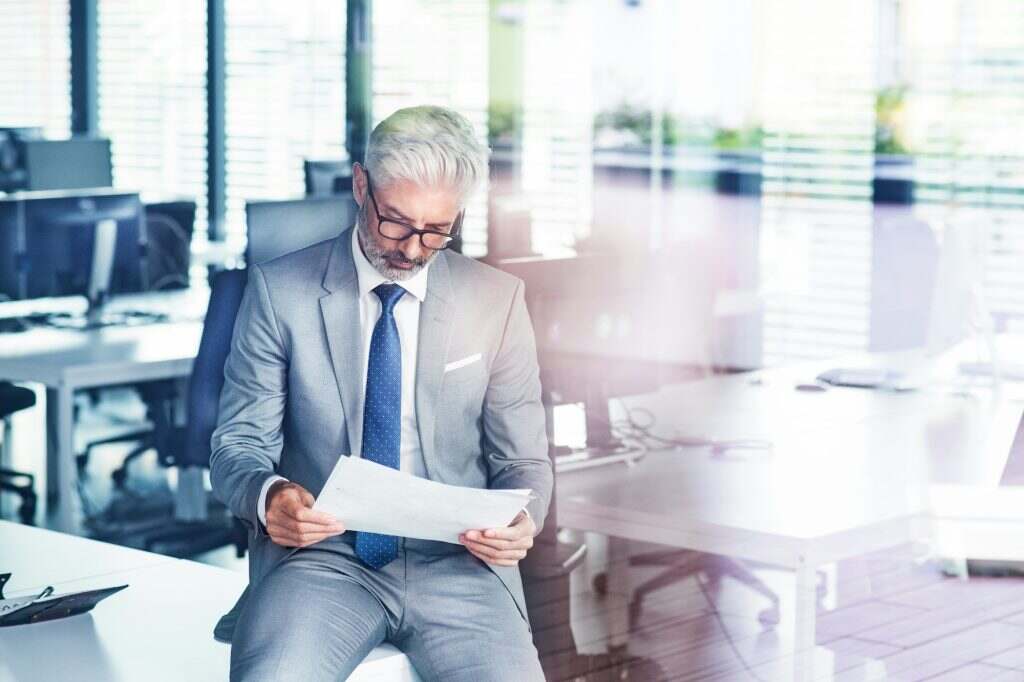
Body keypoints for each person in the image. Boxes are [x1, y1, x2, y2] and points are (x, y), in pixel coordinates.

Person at [209, 105, 552, 681]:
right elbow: (238, 446)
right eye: (394, 222)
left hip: (459, 562)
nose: (413, 249)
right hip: (326, 559)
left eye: (438, 230)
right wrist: (270, 497)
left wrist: (523, 521)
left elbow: (524, 460)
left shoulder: (497, 301)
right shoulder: (280, 292)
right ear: (360, 184)